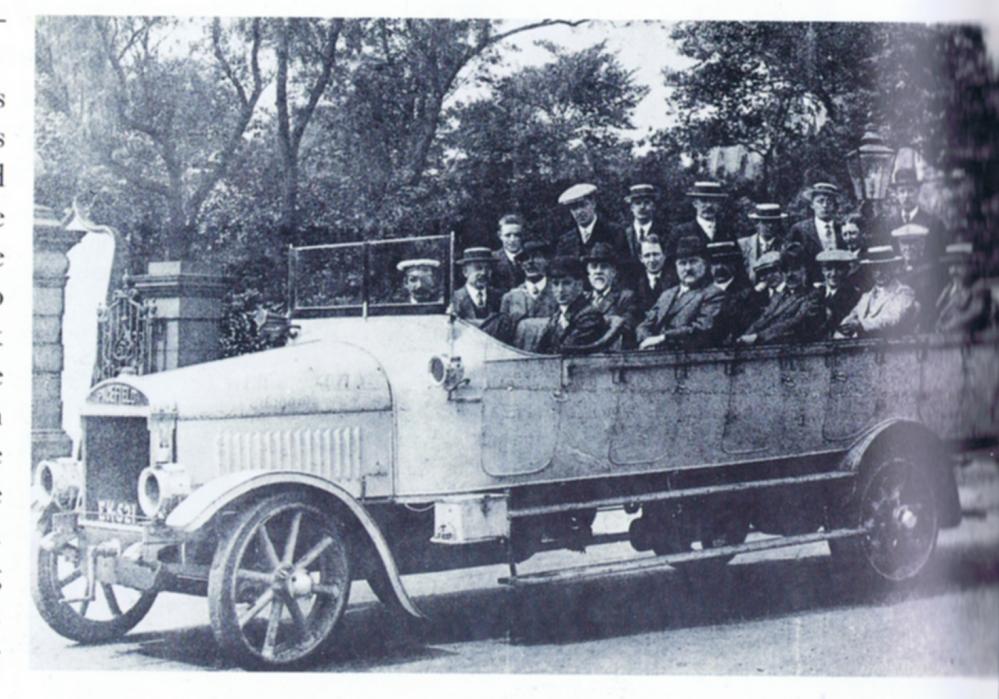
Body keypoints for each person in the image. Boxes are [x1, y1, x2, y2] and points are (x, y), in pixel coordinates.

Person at [636, 235, 723, 351]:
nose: (688, 268)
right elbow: (645, 324)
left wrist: (662, 338)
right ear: (676, 266)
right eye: (682, 263)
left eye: (693, 262)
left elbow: (702, 329)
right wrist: (648, 340)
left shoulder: (713, 294)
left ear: (705, 264)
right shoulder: (667, 294)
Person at [735, 243, 824, 346]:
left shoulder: (814, 296)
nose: (790, 275)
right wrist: (745, 336)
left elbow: (795, 323)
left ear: (806, 270)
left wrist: (758, 337)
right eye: (785, 270)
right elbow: (763, 320)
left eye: (795, 269)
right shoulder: (779, 296)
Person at [836, 246, 917, 338]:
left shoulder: (904, 292)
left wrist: (861, 325)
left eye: (884, 268)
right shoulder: (866, 296)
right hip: (863, 346)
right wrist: (843, 327)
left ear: (892, 268)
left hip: (892, 346)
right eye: (875, 268)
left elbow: (893, 319)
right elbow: (853, 316)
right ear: (871, 271)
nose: (879, 273)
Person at [537, 256, 609, 354]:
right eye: (555, 284)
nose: (560, 290)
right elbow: (540, 350)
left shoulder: (590, 316)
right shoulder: (557, 315)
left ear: (579, 285)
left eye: (566, 283)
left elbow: (569, 351)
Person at [500, 239, 558, 350]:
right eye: (525, 258)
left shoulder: (558, 294)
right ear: (521, 264)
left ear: (547, 261)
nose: (530, 262)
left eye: (536, 257)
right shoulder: (510, 298)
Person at [583, 242, 642, 348]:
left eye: (604, 267)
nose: (598, 271)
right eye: (594, 267)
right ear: (588, 272)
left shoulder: (626, 298)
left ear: (614, 272)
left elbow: (626, 327)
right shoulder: (582, 300)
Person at [879, 168, 947, 257]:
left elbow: (940, 255)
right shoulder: (889, 224)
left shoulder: (934, 223)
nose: (906, 196)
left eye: (910, 190)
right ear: (897, 194)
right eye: (902, 191)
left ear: (918, 191)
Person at [554, 183, 629, 262]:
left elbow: (623, 266)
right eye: (574, 208)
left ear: (593, 204)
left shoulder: (614, 232)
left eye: (583, 205)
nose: (579, 212)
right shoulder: (566, 240)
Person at [451, 247, 513, 342]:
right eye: (478, 268)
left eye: (488, 269)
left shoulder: (501, 297)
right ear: (465, 272)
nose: (484, 273)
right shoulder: (453, 299)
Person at [709, 240, 765, 344]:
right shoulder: (702, 292)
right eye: (715, 263)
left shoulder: (748, 295)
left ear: (734, 264)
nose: (719, 267)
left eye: (725, 262)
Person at [892, 223, 944, 332]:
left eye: (913, 243)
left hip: (925, 325)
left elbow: (933, 303)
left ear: (922, 244)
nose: (908, 248)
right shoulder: (895, 272)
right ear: (899, 246)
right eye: (904, 243)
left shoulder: (932, 270)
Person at [935, 242, 992, 336]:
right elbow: (939, 312)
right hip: (947, 342)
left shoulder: (980, 286)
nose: (954, 270)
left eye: (959, 265)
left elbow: (976, 311)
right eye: (951, 265)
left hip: (976, 344)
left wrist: (949, 326)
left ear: (972, 267)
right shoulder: (948, 289)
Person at [621, 184, 670, 287]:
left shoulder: (666, 232)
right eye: (638, 203)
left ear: (654, 206)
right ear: (631, 207)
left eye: (647, 203)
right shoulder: (623, 234)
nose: (642, 207)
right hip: (629, 287)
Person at [671, 181, 734, 253]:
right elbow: (670, 262)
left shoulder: (727, 231)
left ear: (719, 204)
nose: (709, 205)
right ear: (695, 203)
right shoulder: (681, 232)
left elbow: (737, 260)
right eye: (703, 200)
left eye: (713, 201)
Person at [814, 249, 862, 337]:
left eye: (839, 268)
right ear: (822, 271)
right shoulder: (816, 293)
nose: (833, 274)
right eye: (828, 269)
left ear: (847, 270)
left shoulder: (854, 295)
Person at [738, 203, 790, 283]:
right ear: (756, 223)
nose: (770, 226)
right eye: (765, 222)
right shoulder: (743, 245)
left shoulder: (786, 246)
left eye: (774, 222)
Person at [635, 234, 671, 313]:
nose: (652, 260)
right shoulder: (634, 283)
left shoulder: (674, 280)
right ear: (641, 258)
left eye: (656, 254)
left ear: (664, 255)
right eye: (647, 255)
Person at [491, 213, 527, 292]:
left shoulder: (530, 257)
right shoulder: (492, 259)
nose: (512, 240)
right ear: (500, 235)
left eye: (517, 235)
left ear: (523, 236)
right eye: (508, 235)